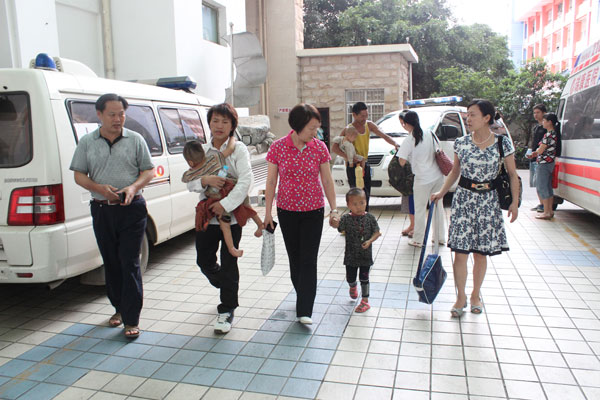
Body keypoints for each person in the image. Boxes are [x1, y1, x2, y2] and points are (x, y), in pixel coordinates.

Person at [70, 93, 155, 338]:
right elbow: (79, 175)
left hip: (132, 208)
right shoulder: (87, 142)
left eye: (122, 114)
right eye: (112, 115)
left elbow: (148, 171)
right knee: (111, 261)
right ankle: (118, 308)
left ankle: (131, 319)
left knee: (129, 261)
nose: (118, 119)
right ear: (99, 115)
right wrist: (98, 188)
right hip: (102, 209)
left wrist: (133, 187)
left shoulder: (135, 139)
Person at [431, 100, 519, 318]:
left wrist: (515, 202)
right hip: (464, 200)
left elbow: (512, 174)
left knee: (481, 253)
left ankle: (475, 295)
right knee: (460, 252)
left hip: (488, 202)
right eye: (467, 115)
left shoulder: (502, 143)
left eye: (473, 115)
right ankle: (460, 296)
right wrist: (441, 192)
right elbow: (455, 171)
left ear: (487, 118)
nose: (468, 119)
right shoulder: (461, 143)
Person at [264, 104, 339, 325]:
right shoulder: (278, 147)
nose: (315, 133)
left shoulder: (319, 148)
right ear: (298, 126)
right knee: (295, 259)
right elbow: (271, 181)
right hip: (286, 211)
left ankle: (304, 309)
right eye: (311, 128)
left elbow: (327, 180)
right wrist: (267, 213)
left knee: (308, 260)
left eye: (317, 128)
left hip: (313, 211)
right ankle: (303, 293)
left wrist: (334, 208)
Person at [188, 103, 253, 334]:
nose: (219, 125)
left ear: (232, 125)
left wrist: (224, 204)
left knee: (229, 262)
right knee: (203, 260)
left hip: (231, 218)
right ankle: (224, 283)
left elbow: (246, 181)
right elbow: (189, 182)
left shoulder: (239, 150)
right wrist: (204, 180)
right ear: (209, 123)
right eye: (215, 120)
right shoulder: (202, 150)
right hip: (206, 217)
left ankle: (227, 309)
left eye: (225, 121)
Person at [182, 139, 263, 257]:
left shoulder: (191, 172)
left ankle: (231, 248)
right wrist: (232, 138)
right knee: (247, 205)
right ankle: (260, 224)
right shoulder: (213, 158)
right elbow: (229, 149)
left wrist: (202, 178)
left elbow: (185, 180)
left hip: (218, 197)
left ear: (190, 162)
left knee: (225, 224)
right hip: (232, 186)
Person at [332, 102, 399, 210]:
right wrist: (348, 157)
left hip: (364, 164)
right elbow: (335, 148)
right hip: (352, 166)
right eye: (362, 116)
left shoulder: (369, 125)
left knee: (366, 193)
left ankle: (365, 214)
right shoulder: (348, 129)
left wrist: (395, 144)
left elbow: (384, 135)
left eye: (366, 115)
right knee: (355, 194)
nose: (365, 118)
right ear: (354, 115)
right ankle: (355, 215)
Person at [396, 110, 446, 247]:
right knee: (438, 207)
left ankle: (418, 239)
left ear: (406, 124)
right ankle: (440, 237)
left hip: (422, 180)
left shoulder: (409, 139)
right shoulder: (430, 133)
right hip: (437, 177)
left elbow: (401, 161)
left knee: (420, 209)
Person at [335, 188, 381, 313]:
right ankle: (352, 286)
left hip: (365, 256)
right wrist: (334, 221)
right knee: (350, 278)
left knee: (364, 278)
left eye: (362, 203)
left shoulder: (370, 218)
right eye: (354, 204)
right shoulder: (346, 218)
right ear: (348, 205)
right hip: (350, 256)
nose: (359, 207)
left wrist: (370, 241)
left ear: (366, 202)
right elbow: (338, 228)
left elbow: (377, 232)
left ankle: (365, 301)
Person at [532, 112, 561, 220]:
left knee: (542, 187)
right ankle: (549, 211)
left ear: (549, 122)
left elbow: (540, 150)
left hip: (543, 163)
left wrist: (534, 153)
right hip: (550, 163)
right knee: (548, 187)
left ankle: (546, 211)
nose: (543, 122)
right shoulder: (554, 134)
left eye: (544, 121)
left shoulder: (548, 135)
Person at [526, 104, 547, 212]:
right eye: (534, 113)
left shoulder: (546, 128)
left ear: (544, 113)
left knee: (541, 183)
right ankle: (541, 203)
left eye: (538, 112)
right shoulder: (536, 127)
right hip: (534, 157)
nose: (536, 115)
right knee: (536, 183)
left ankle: (545, 205)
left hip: (542, 158)